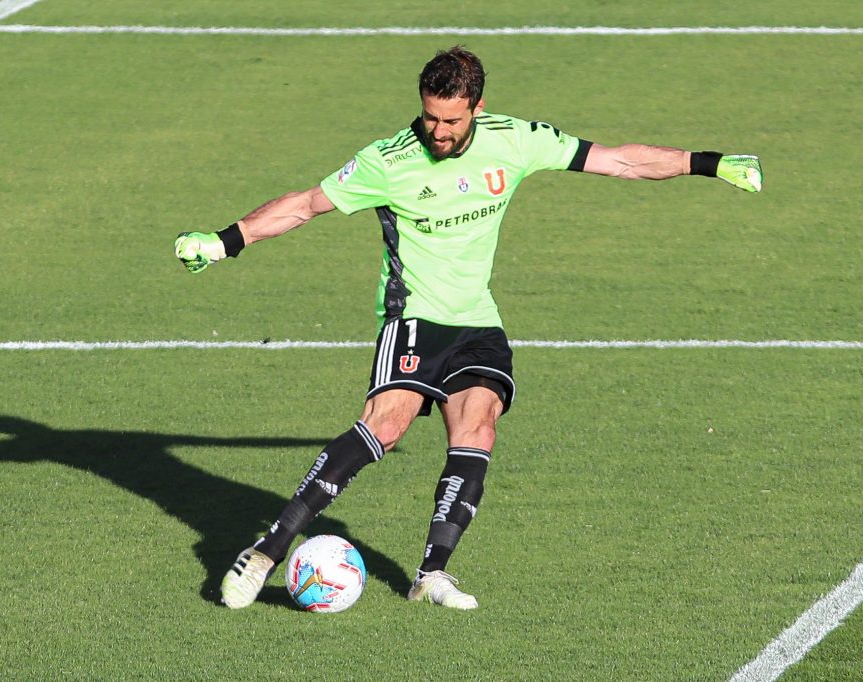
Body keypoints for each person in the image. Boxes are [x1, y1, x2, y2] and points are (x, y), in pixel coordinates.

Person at [173, 46, 762, 610]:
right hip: (415, 317)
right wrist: (225, 241)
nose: (437, 132)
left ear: (476, 108)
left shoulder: (517, 141)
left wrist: (708, 164)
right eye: (430, 117)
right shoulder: (389, 160)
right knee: (389, 423)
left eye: (450, 121)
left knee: (478, 430)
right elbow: (304, 204)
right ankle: (267, 552)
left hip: (477, 319)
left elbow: (619, 159)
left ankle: (431, 575)